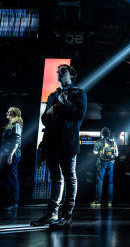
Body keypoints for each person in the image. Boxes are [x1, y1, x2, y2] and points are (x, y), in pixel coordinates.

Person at [31, 64, 87, 229]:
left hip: (68, 143)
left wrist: (66, 103)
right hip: (52, 143)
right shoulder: (52, 95)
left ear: (71, 75)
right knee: (56, 178)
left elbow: (79, 115)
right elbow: (45, 120)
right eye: (58, 71)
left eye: (63, 70)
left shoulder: (78, 93)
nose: (59, 72)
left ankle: (66, 215)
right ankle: (52, 214)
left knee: (70, 177)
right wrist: (48, 112)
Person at [0, 107, 23, 211]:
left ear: (15, 114)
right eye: (7, 111)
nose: (7, 113)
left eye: (10, 112)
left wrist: (10, 155)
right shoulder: (11, 125)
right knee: (9, 178)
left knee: (12, 178)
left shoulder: (17, 125)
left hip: (13, 155)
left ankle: (14, 202)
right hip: (7, 155)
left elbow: (16, 141)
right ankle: (10, 201)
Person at [90, 127, 118, 207]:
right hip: (110, 163)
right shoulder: (113, 142)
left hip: (101, 162)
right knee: (110, 182)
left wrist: (99, 151)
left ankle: (98, 201)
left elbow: (95, 152)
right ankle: (110, 201)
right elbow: (116, 154)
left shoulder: (98, 141)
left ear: (101, 134)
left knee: (99, 181)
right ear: (109, 134)